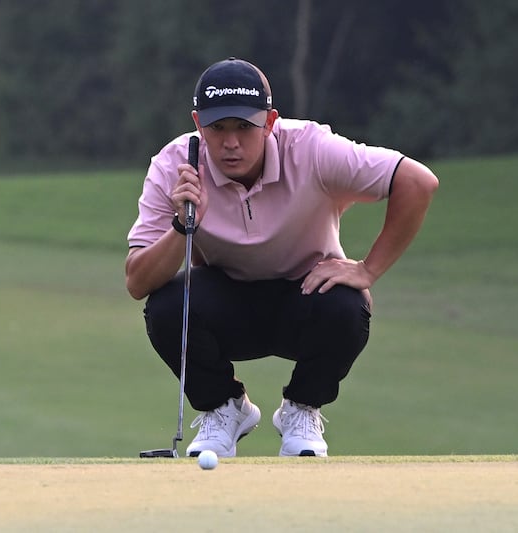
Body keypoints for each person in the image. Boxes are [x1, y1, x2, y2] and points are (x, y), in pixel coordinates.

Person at [125, 57, 438, 457]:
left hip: (306, 297)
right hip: (227, 303)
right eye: (217, 128)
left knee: (347, 305)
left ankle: (302, 408)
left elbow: (418, 181)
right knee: (168, 305)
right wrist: (183, 226)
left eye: (244, 127)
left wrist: (368, 269)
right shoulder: (176, 165)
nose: (231, 142)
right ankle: (224, 408)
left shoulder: (311, 148)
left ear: (270, 122)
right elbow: (137, 282)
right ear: (198, 123)